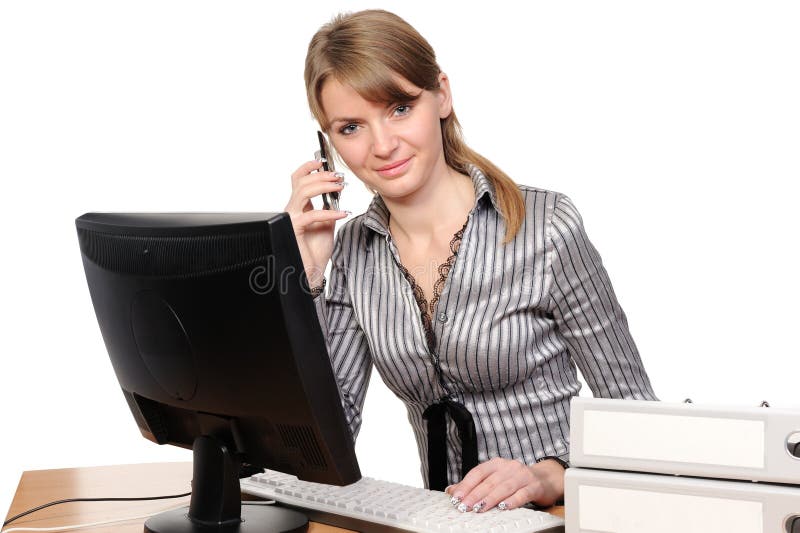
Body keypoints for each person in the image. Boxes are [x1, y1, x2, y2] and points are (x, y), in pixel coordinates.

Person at [284, 9, 657, 512]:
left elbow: (637, 422)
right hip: (441, 523)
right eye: (351, 127)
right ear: (328, 145)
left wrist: (548, 476)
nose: (383, 145)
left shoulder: (545, 226)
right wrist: (300, 275)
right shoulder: (351, 252)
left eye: (399, 108)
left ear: (441, 94)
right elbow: (320, 444)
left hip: (561, 517)